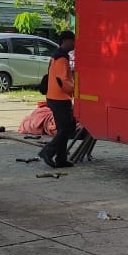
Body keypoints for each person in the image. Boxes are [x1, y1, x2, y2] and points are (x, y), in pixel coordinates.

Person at [39, 31, 77, 168]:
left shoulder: (57, 55)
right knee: (66, 128)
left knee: (64, 129)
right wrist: (74, 89)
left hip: (54, 97)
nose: (74, 44)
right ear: (65, 41)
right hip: (59, 98)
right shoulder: (61, 58)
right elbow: (63, 80)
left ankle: (61, 159)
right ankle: (47, 152)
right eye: (73, 41)